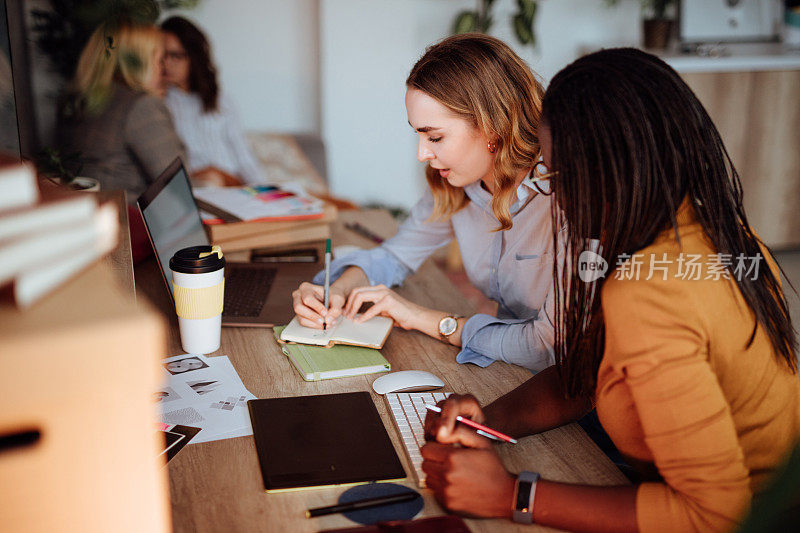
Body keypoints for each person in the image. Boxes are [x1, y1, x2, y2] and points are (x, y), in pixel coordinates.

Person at [421, 48, 800, 532]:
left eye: (558, 176)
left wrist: (508, 495)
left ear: (607, 172)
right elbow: (585, 377)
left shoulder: (647, 292)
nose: (554, 193)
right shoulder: (713, 234)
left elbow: (713, 517)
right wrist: (486, 424)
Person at [292, 34, 561, 371]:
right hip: (509, 370)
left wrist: (421, 317)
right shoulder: (456, 185)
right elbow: (395, 255)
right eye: (418, 135)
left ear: (492, 127)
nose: (422, 154)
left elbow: (548, 346)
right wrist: (340, 288)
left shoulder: (562, 196)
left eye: (435, 137)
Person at [58, 20, 186, 201]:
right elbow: (178, 185)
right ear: (140, 63)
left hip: (89, 216)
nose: (163, 70)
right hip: (130, 222)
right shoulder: (141, 106)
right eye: (159, 60)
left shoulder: (74, 100)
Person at [160, 16, 264, 186]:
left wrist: (263, 191)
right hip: (203, 186)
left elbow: (244, 157)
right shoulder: (161, 103)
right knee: (211, 180)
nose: (166, 63)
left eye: (175, 55)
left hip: (236, 185)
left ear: (193, 57)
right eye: (162, 55)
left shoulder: (220, 99)